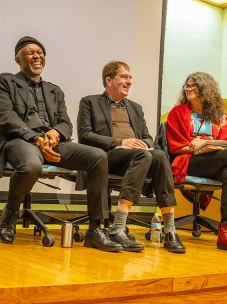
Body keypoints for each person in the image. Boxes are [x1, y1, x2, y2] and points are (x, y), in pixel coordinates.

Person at [0, 36, 123, 252]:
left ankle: (94, 229)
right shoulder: (6, 81)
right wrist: (36, 138)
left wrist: (55, 133)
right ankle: (11, 212)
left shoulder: (54, 90)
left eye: (40, 52)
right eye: (30, 52)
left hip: (53, 142)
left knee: (98, 156)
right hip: (20, 140)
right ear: (17, 60)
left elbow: (66, 123)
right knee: (32, 166)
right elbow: (4, 117)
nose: (37, 56)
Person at [77, 60, 186, 253]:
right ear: (109, 80)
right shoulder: (90, 102)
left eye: (130, 78)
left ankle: (169, 230)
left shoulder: (135, 108)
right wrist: (120, 142)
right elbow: (85, 135)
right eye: (124, 77)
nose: (129, 81)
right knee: (143, 156)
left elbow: (148, 138)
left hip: (136, 157)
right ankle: (118, 227)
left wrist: (145, 144)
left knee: (160, 156)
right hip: (107, 157)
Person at [166, 72, 227, 252]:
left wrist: (208, 145)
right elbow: (175, 147)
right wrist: (198, 147)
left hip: (217, 161)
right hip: (189, 161)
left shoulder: (221, 117)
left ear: (206, 89)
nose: (188, 89)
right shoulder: (177, 113)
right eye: (187, 86)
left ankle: (226, 230)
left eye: (193, 86)